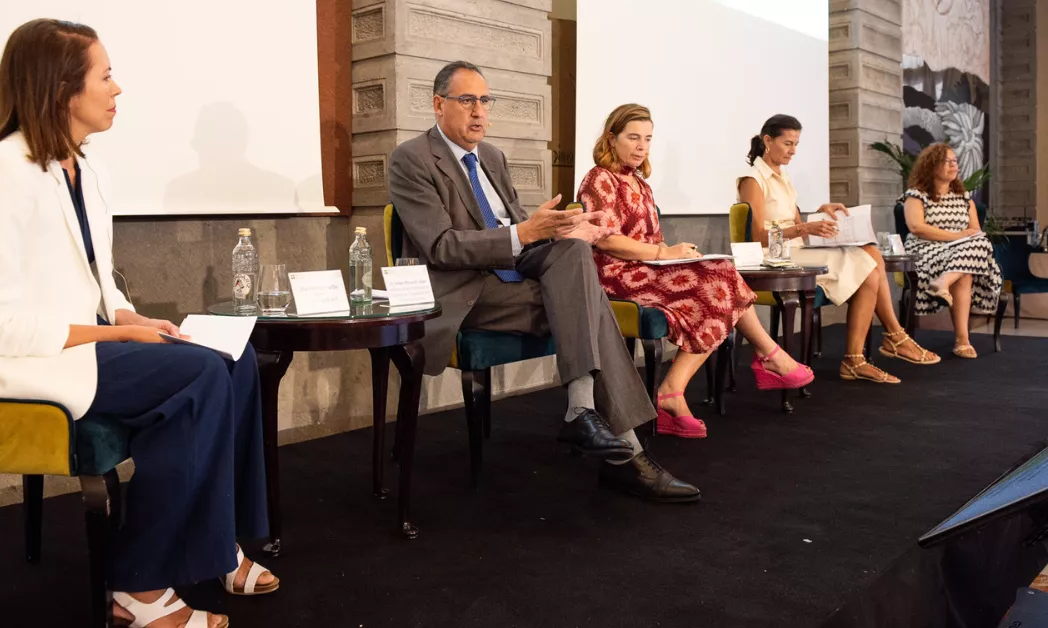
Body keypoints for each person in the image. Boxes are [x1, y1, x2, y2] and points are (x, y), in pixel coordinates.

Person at [0, 19, 276, 627]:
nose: (117, 88)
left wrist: (126, 314)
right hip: (22, 353)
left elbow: (96, 277)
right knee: (197, 376)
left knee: (236, 357)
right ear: (61, 88)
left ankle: (216, 540)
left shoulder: (86, 170)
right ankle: (138, 586)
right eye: (106, 75)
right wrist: (115, 334)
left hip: (82, 339)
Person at [387, 61, 699, 502]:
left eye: (485, 100)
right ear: (439, 105)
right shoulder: (412, 158)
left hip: (514, 277)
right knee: (591, 303)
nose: (479, 111)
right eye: (467, 100)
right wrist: (524, 233)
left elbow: (522, 231)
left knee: (574, 253)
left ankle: (583, 412)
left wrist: (565, 229)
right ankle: (624, 453)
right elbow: (440, 246)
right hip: (463, 290)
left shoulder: (492, 157)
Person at [577, 104, 814, 438]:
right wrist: (665, 253)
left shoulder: (641, 184)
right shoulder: (599, 178)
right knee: (718, 281)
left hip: (647, 269)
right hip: (615, 274)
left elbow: (652, 240)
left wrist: (680, 256)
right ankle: (767, 357)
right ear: (611, 139)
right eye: (633, 138)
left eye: (648, 138)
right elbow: (607, 240)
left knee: (719, 272)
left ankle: (674, 390)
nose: (642, 146)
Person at [737, 115, 941, 384]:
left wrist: (820, 214)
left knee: (871, 253)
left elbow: (795, 226)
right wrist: (805, 228)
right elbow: (757, 237)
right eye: (787, 143)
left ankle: (869, 352)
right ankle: (882, 344)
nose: (793, 151)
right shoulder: (752, 179)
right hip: (774, 259)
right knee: (868, 263)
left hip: (795, 251)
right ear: (767, 140)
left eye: (796, 144)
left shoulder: (783, 176)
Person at [902, 143, 1003, 358]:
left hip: (960, 251)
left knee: (981, 242)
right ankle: (962, 340)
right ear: (931, 166)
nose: (953, 165)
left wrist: (963, 239)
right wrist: (957, 236)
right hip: (926, 250)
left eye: (954, 161)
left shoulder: (964, 199)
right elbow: (917, 228)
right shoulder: (916, 195)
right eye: (946, 161)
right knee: (965, 269)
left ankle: (943, 282)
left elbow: (974, 231)